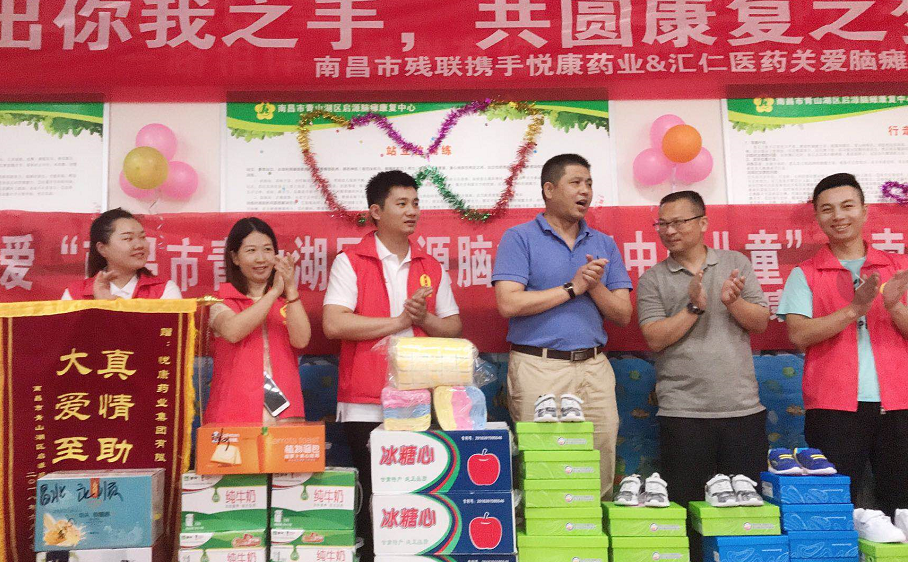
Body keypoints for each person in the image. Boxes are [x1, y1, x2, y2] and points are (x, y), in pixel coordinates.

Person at [323, 170, 462, 562]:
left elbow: (453, 326)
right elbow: (334, 324)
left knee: (419, 494)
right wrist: (400, 321)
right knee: (375, 496)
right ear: (376, 211)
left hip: (421, 400)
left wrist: (423, 318)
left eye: (415, 203)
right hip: (366, 402)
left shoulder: (430, 264)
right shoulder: (351, 261)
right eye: (401, 203)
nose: (412, 211)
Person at [492, 153, 633, 499]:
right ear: (549, 189)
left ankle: (594, 528)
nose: (585, 191)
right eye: (576, 183)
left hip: (594, 367)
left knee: (601, 457)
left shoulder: (604, 243)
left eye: (589, 184)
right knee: (545, 465)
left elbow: (623, 314)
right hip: (539, 367)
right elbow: (508, 303)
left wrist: (593, 285)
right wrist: (572, 287)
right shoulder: (519, 238)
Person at [778, 173, 908, 516]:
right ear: (817, 218)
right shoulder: (805, 273)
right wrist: (853, 310)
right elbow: (798, 334)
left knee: (903, 506)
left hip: (901, 403)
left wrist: (894, 306)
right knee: (834, 507)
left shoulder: (899, 268)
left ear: (864, 211)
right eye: (827, 209)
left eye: (847, 206)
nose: (838, 216)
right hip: (833, 407)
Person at [636, 190, 770, 509]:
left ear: (703, 223)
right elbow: (654, 338)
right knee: (688, 507)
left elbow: (761, 322)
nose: (669, 230)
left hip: (741, 408)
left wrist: (733, 302)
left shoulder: (735, 263)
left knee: (747, 510)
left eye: (679, 222)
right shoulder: (652, 279)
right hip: (682, 412)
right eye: (662, 224)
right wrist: (694, 307)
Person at [206, 217, 311, 425]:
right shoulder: (221, 300)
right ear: (235, 257)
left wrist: (290, 289)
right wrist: (273, 293)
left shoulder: (287, 301)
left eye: (267, 250)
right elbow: (232, 331)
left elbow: (301, 340)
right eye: (251, 251)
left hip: (285, 413)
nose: (261, 259)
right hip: (234, 413)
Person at [62, 208, 182, 300]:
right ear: (102, 249)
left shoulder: (164, 290)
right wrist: (98, 306)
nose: (139, 245)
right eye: (128, 238)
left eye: (142, 237)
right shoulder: (75, 294)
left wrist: (110, 306)